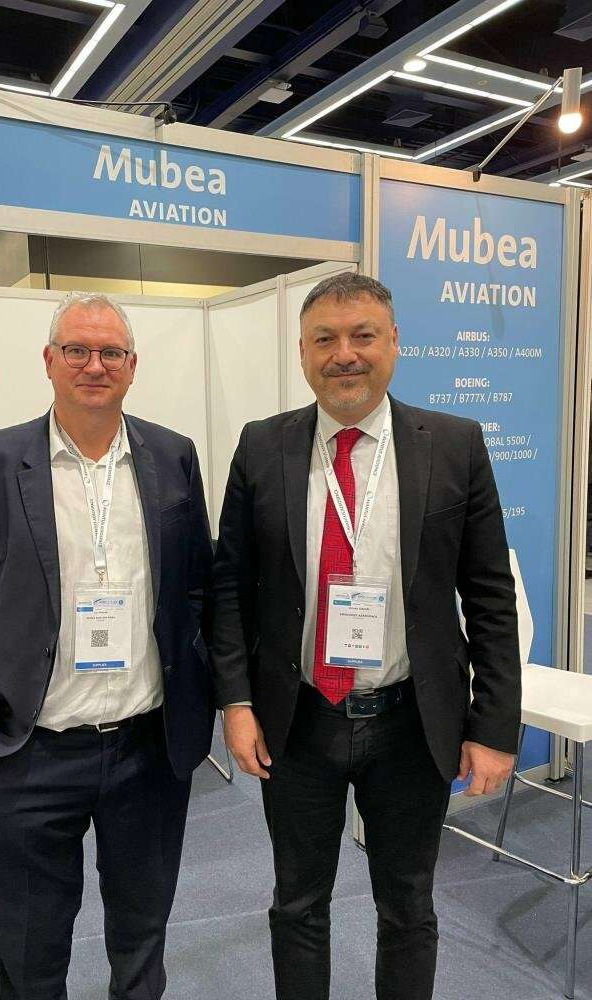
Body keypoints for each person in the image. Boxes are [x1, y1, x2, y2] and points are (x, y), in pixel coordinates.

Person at [211, 273, 521, 1000]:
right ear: (302, 351)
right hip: (298, 721)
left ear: (394, 344)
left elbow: (489, 596)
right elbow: (230, 587)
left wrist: (493, 726)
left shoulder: (454, 444)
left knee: (408, 907)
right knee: (297, 904)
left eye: (362, 336)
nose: (344, 354)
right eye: (325, 338)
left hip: (411, 721)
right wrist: (236, 701)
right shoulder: (262, 446)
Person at [0, 291, 213, 1000]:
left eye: (111, 352)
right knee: (31, 953)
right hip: (27, 752)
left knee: (142, 943)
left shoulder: (172, 456)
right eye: (77, 350)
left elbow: (197, 590)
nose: (94, 365)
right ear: (49, 361)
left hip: (148, 751)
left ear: (132, 365)